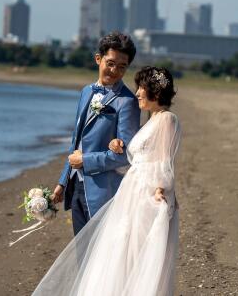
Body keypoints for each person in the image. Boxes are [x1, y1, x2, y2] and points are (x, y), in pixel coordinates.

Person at [33, 66, 181, 295]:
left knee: (137, 251)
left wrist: (161, 189)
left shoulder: (167, 119)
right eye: (138, 88)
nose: (138, 93)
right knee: (120, 250)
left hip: (147, 193)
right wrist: (117, 144)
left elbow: (163, 160)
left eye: (142, 88)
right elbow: (136, 155)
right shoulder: (151, 121)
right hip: (131, 190)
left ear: (156, 92)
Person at [50, 32, 141, 235]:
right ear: (98, 59)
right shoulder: (85, 92)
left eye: (122, 66)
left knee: (99, 258)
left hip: (103, 192)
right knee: (81, 254)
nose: (114, 70)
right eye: (110, 63)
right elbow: (76, 140)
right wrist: (62, 182)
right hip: (76, 187)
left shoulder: (127, 102)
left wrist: (86, 161)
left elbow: (126, 155)